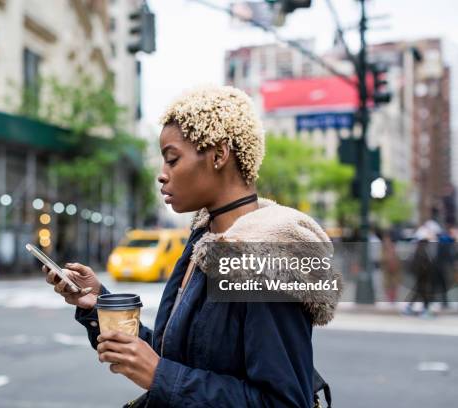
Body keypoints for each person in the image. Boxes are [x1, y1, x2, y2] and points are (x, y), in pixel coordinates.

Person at [43, 86, 341, 407]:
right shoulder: (204, 241)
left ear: (219, 155)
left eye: (172, 159)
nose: (162, 174)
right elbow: (179, 360)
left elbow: (282, 402)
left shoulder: (265, 256)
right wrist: (98, 304)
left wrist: (159, 375)